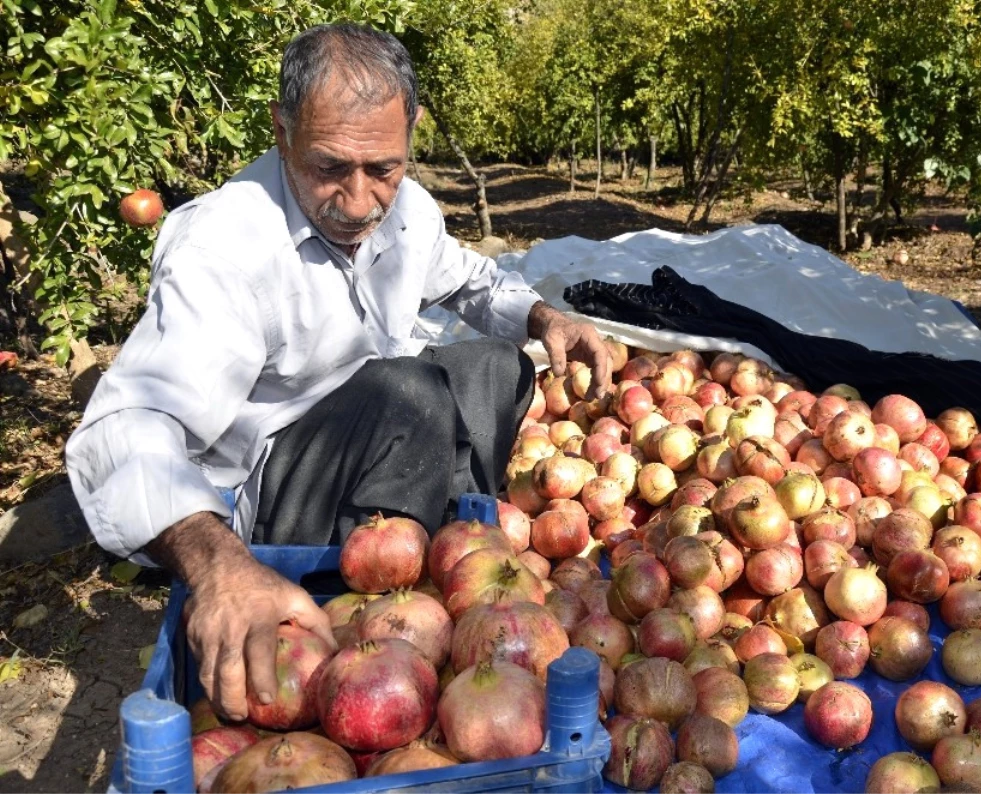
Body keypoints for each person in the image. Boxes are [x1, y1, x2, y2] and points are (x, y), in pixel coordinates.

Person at [64, 23, 611, 723]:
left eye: (383, 167)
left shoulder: (405, 210)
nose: (358, 203)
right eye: (329, 168)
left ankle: (443, 573)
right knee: (409, 394)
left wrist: (543, 319)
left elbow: (468, 280)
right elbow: (128, 425)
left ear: (410, 130)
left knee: (495, 368)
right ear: (282, 130)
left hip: (368, 439)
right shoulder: (225, 248)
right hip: (264, 498)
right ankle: (364, 628)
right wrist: (217, 565)